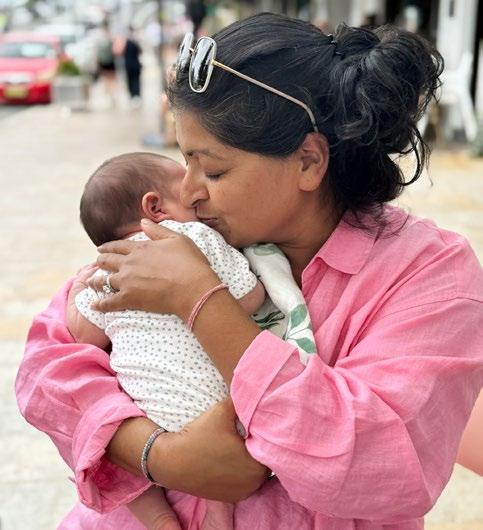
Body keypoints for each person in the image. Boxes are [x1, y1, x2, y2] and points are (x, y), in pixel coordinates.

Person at [16, 13, 483, 529]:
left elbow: (382, 466)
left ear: (308, 161)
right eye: (185, 161)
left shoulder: (428, 273)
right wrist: (159, 455)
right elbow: (48, 364)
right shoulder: (193, 233)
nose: (189, 191)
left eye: (214, 170)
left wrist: (201, 301)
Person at [67, 151, 265, 528]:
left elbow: (84, 335)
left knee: (110, 447)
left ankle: (158, 519)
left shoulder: (106, 269)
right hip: (213, 410)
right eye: (185, 190)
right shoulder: (195, 237)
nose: (197, 195)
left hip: (143, 410)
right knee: (224, 465)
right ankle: (218, 512)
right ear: (155, 207)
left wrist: (79, 288)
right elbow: (249, 297)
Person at [121, 27, 143, 106]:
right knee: (135, 81)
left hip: (129, 64)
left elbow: (121, 52)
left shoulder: (126, 41)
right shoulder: (135, 41)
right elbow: (140, 51)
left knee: (131, 81)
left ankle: (134, 96)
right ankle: (136, 96)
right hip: (134, 64)